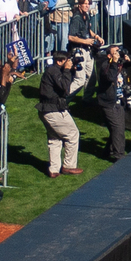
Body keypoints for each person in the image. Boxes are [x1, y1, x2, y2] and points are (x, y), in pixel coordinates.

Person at [38, 48, 84, 177]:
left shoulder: (53, 70)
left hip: (46, 110)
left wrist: (70, 70)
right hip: (54, 110)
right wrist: (68, 70)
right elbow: (65, 87)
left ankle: (53, 169)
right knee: (73, 134)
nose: (68, 62)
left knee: (54, 138)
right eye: (67, 60)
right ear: (60, 61)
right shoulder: (53, 71)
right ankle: (68, 166)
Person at [94, 43, 131, 161]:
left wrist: (127, 57)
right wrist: (114, 63)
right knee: (118, 129)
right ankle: (119, 156)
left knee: (116, 129)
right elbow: (110, 77)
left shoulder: (121, 64)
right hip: (108, 103)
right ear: (109, 56)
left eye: (118, 51)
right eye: (115, 52)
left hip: (119, 102)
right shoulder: (106, 66)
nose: (118, 54)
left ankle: (107, 151)